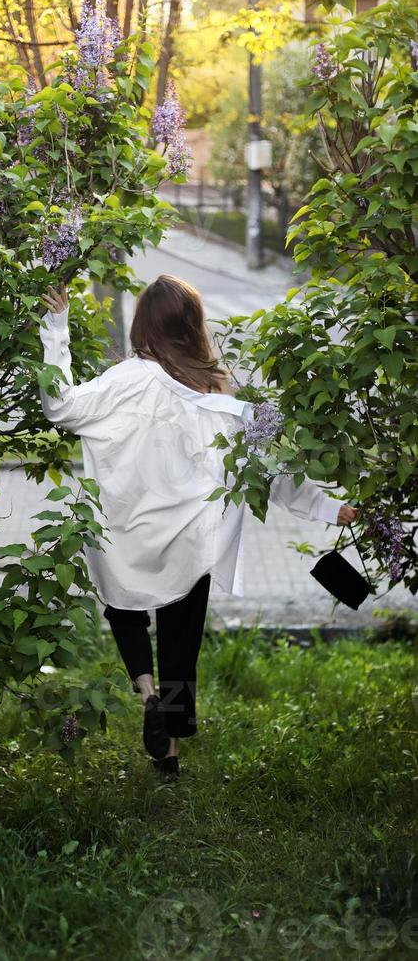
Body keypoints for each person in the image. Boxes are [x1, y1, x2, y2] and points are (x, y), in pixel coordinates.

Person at [39, 274, 357, 779]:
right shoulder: (220, 387)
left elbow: (60, 406)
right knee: (181, 638)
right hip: (189, 536)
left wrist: (56, 327)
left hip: (126, 529)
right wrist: (326, 508)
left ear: (144, 324)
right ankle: (170, 750)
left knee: (125, 607)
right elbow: (265, 471)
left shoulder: (126, 379)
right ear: (193, 325)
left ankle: (146, 694)